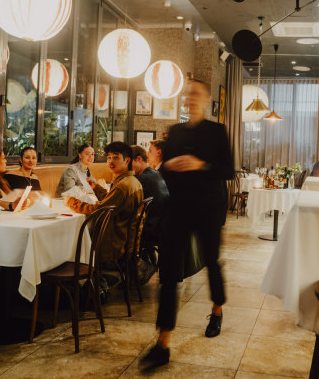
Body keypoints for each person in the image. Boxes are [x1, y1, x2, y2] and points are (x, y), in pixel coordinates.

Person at [140, 79, 234, 369]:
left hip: (208, 207)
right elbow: (166, 170)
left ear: (206, 100)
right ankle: (163, 342)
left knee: (211, 261)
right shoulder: (176, 132)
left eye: (196, 94)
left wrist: (200, 165)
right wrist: (170, 166)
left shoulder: (217, 132)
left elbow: (227, 170)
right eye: (188, 94)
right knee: (168, 273)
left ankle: (217, 309)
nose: (191, 98)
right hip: (179, 208)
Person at [65, 142, 143, 263]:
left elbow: (99, 210)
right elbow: (112, 203)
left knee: (73, 238)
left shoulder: (123, 186)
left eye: (116, 157)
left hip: (115, 241)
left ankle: (83, 274)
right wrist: (97, 188)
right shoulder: (131, 180)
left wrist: (72, 202)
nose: (111, 161)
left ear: (127, 161)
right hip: (125, 235)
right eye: (109, 157)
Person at [130, 145, 170, 281]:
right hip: (160, 226)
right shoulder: (155, 173)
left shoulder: (142, 179)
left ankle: (137, 266)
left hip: (149, 229)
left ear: (139, 159)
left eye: (129, 162)